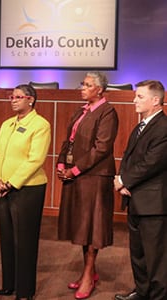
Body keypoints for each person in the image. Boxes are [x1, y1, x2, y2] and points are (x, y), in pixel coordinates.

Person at [57, 71, 118, 299]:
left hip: (95, 177)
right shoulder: (81, 110)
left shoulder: (107, 112)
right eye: (83, 84)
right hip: (78, 175)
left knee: (93, 229)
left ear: (100, 90)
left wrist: (75, 169)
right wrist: (61, 162)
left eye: (88, 85)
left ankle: (88, 275)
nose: (82, 87)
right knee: (82, 228)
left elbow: (101, 148)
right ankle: (88, 272)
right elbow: (69, 140)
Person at [0, 84, 50, 300]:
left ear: (31, 100)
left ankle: (25, 291)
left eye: (18, 97)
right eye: (11, 97)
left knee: (24, 241)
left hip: (28, 189)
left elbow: (36, 159)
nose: (13, 100)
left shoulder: (40, 125)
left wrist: (10, 183)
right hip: (3, 187)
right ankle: (9, 284)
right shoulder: (7, 124)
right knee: (7, 238)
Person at [113, 80, 167, 300]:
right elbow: (128, 156)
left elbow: (152, 163)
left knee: (156, 258)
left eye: (140, 97)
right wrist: (122, 181)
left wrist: (125, 179)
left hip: (153, 204)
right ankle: (142, 292)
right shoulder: (140, 125)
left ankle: (158, 296)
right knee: (138, 254)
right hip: (135, 199)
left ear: (156, 100)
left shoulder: (163, 127)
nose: (134, 100)